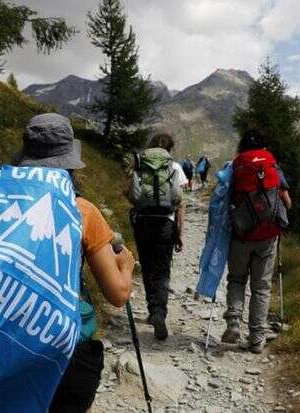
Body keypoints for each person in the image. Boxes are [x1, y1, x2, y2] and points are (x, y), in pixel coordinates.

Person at [12, 114, 135, 413]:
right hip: (65, 346)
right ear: (68, 162)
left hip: (6, 340)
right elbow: (117, 294)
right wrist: (127, 265)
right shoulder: (82, 210)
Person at [221, 129, 291, 354]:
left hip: (241, 234)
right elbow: (287, 203)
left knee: (237, 279)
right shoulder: (273, 165)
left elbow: (224, 197)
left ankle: (233, 322)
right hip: (267, 236)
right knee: (261, 287)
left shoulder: (236, 165)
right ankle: (257, 339)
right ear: (264, 146)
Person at [126, 133, 185, 341]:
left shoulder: (140, 163)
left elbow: (132, 193)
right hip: (165, 224)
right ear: (170, 148)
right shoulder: (174, 167)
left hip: (142, 221)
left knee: (148, 265)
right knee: (162, 270)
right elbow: (178, 200)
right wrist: (179, 232)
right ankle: (159, 312)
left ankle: (152, 309)